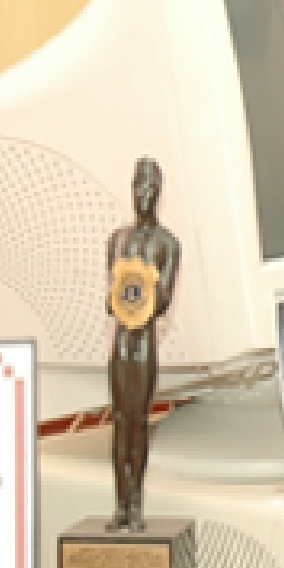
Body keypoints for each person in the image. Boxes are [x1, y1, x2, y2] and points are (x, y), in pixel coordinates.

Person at [105, 156, 180, 534]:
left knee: (138, 421)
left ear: (159, 192)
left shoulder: (168, 244)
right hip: (122, 338)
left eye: (150, 187)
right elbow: (110, 300)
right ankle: (120, 504)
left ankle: (136, 503)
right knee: (120, 421)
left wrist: (147, 284)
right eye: (138, 186)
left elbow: (163, 301)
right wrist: (121, 290)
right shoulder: (117, 240)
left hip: (145, 340)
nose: (143, 194)